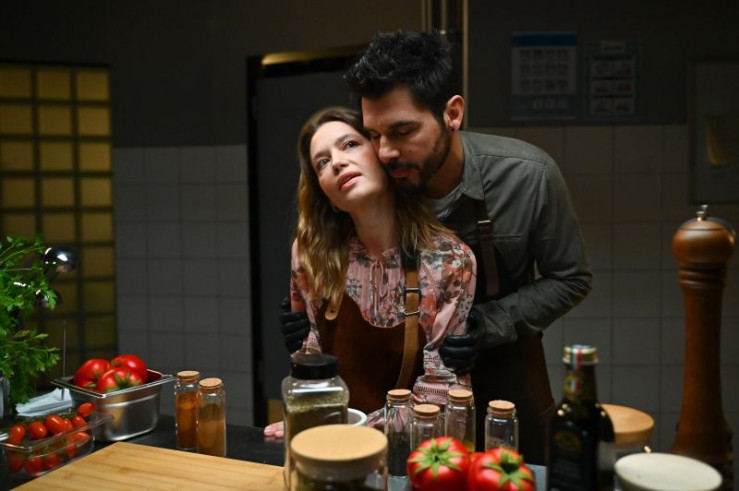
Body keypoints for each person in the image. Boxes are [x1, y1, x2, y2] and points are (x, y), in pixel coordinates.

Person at [341, 30, 592, 464]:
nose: (385, 152)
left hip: (506, 380)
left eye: (402, 131)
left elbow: (571, 279)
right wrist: (316, 314)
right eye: (374, 134)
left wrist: (487, 323)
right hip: (403, 391)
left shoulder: (528, 177)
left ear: (452, 113)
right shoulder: (375, 180)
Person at [265, 106, 476, 437]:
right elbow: (310, 371)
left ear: (384, 158)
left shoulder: (449, 260)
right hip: (330, 444)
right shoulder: (310, 255)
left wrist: (351, 428)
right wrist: (306, 420)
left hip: (414, 452)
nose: (337, 162)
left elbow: (441, 397)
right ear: (328, 196)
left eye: (350, 145)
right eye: (323, 162)